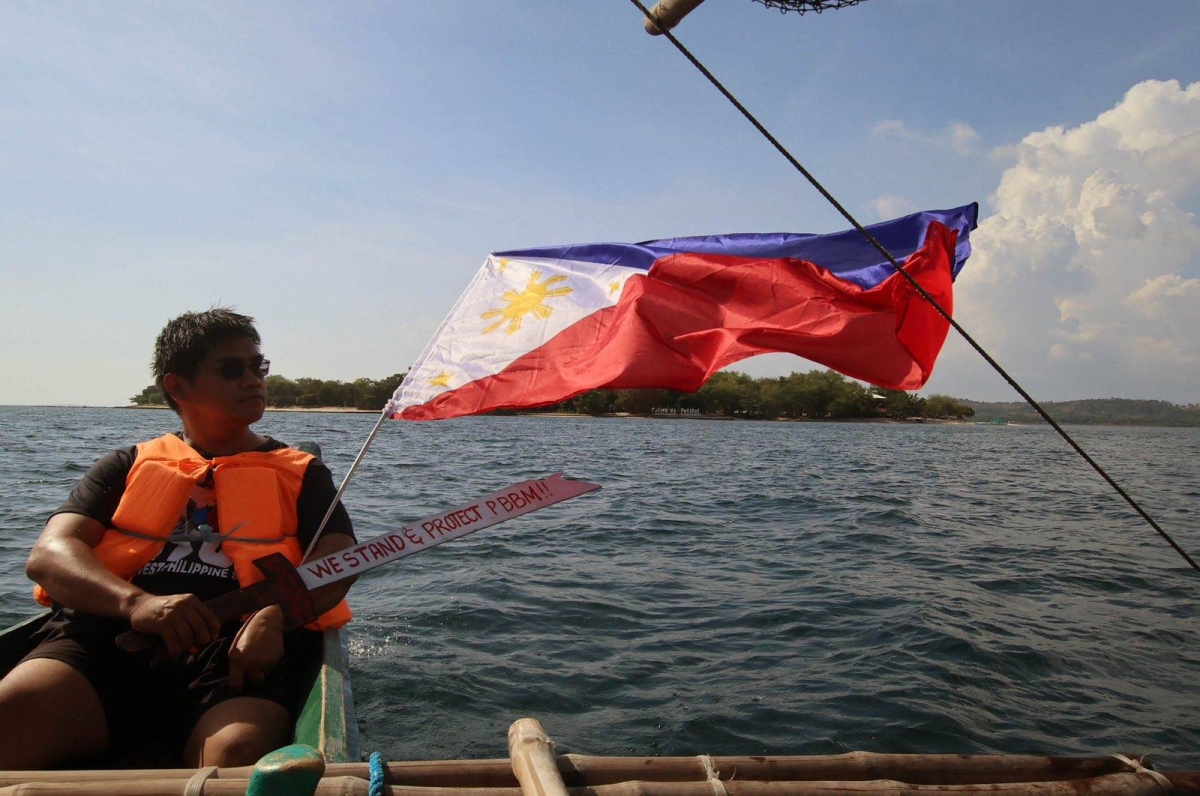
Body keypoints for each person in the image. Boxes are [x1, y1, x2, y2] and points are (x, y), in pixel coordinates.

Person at [0, 308, 357, 769]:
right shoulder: (127, 463)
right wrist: (137, 605)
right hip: (112, 636)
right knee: (10, 717)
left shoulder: (304, 474)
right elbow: (50, 555)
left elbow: (340, 559)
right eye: (233, 368)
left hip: (236, 649)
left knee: (237, 756)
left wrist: (274, 615)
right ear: (177, 386)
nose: (254, 379)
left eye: (258, 366)